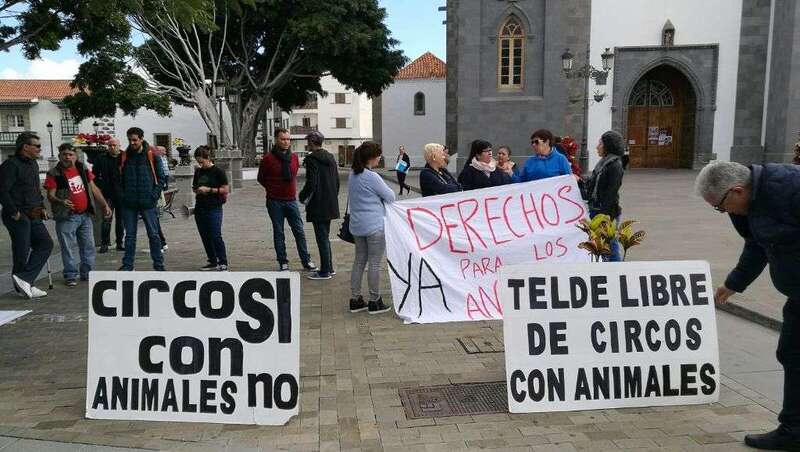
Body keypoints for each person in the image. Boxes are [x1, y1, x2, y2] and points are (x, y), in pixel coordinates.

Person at [695, 161, 800, 451]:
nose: (723, 212)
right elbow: (755, 245)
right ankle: (793, 430)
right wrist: (733, 284)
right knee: (791, 352)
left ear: (737, 190)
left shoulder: (791, 188)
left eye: (720, 206)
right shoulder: (745, 205)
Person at [44, 144, 112, 286]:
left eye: (70, 154)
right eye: (64, 154)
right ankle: (70, 275)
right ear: (59, 156)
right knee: (68, 247)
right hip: (67, 216)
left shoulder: (82, 168)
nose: (67, 157)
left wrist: (104, 204)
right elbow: (50, 195)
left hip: (85, 214)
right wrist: (61, 201)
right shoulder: (54, 173)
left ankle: (87, 273)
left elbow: (93, 188)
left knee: (88, 245)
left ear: (75, 156)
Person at [0, 132, 53, 299]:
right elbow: (2, 191)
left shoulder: (33, 164)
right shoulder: (10, 165)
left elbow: (36, 190)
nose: (39, 148)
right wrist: (13, 212)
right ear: (25, 147)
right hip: (17, 215)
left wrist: (42, 207)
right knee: (21, 251)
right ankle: (25, 285)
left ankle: (26, 280)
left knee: (46, 243)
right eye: (36, 146)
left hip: (34, 212)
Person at [257, 127, 316, 272]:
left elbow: (294, 174)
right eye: (283, 139)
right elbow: (261, 178)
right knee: (279, 232)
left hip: (291, 201)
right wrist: (272, 188)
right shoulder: (268, 159)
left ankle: (306, 260)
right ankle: (283, 262)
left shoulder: (294, 158)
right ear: (276, 139)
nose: (286, 142)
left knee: (299, 231)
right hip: (274, 201)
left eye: (288, 139)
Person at [348, 141, 395, 314]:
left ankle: (355, 299)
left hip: (357, 225)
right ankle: (375, 301)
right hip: (374, 226)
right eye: (378, 155)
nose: (379, 158)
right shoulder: (372, 177)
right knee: (374, 264)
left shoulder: (353, 174)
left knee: (359, 261)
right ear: (371, 158)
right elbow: (391, 196)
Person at [118, 127, 167, 271]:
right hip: (129, 202)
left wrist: (153, 196)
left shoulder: (152, 155)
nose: (132, 143)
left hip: (147, 201)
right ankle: (128, 265)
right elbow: (120, 178)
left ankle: (158, 265)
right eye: (130, 140)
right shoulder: (125, 156)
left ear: (141, 139)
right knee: (130, 236)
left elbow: (161, 178)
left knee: (153, 234)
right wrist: (123, 196)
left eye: (135, 140)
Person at [299, 131, 340, 280]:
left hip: (318, 204)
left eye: (308, 141)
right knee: (325, 237)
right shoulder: (330, 158)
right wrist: (332, 197)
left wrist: (302, 196)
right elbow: (336, 181)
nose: (307, 144)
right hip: (330, 202)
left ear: (311, 142)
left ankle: (324, 271)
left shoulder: (312, 159)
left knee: (321, 238)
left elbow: (312, 182)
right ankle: (329, 267)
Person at [582, 131, 625, 262]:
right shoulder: (603, 163)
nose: (597, 146)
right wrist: (579, 180)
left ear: (608, 145)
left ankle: (617, 272)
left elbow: (611, 194)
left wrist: (603, 218)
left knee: (610, 246)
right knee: (601, 245)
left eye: (600, 143)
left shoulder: (615, 165)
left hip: (607, 213)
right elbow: (592, 184)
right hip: (596, 210)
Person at [192, 146, 229, 271]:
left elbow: (225, 189)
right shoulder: (198, 171)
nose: (200, 164)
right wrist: (198, 190)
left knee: (215, 235)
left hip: (214, 206)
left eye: (202, 161)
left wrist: (209, 190)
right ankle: (212, 260)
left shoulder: (218, 171)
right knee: (205, 236)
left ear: (208, 158)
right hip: (200, 207)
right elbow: (194, 187)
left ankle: (223, 261)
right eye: (198, 162)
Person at [93, 137, 123, 253]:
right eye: (110, 145)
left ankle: (120, 243)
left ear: (119, 146)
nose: (112, 147)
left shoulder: (123, 158)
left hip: (121, 193)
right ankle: (104, 243)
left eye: (114, 145)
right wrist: (100, 186)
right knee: (106, 220)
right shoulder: (101, 158)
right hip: (107, 194)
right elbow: (94, 175)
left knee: (121, 220)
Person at [154, 145, 170, 252]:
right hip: (152, 195)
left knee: (154, 221)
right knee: (154, 221)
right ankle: (161, 243)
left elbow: (162, 177)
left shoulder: (156, 161)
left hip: (152, 196)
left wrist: (155, 193)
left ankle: (161, 244)